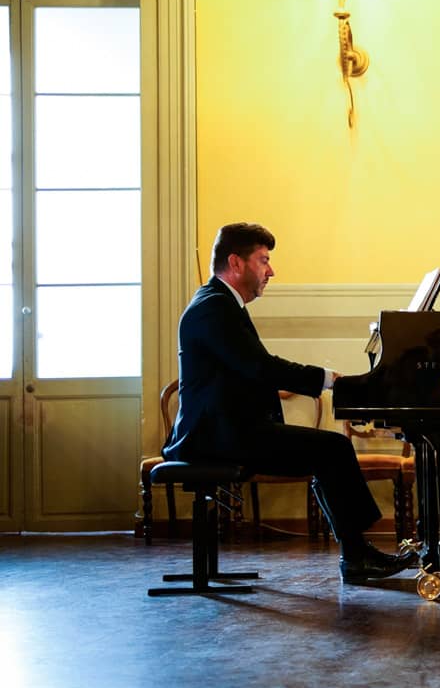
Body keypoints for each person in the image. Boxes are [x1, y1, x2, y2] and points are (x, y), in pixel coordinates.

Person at [163, 223, 415, 585]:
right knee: (334, 448)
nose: (271, 270)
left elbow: (252, 369)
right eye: (263, 260)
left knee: (327, 452)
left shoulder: (219, 304)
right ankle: (357, 556)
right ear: (236, 262)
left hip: (228, 430)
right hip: (215, 438)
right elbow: (261, 367)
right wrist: (327, 379)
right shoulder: (213, 308)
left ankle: (356, 553)